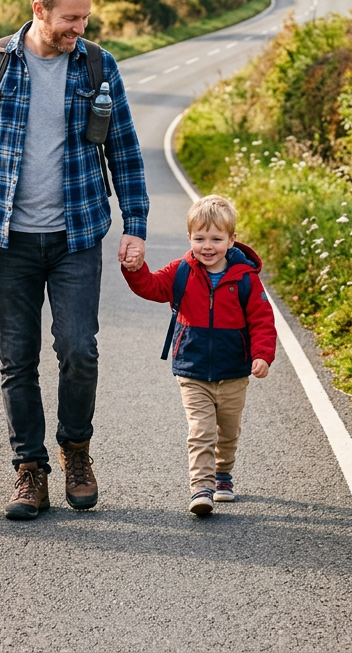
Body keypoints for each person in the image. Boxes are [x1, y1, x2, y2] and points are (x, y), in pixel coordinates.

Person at [0, 0, 149, 520]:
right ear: (39, 9)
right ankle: (29, 470)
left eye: (84, 17)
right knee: (17, 359)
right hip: (9, 239)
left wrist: (136, 227)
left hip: (77, 235)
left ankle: (75, 451)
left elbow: (125, 152)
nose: (78, 28)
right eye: (68, 18)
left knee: (79, 350)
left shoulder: (98, 68)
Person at [122, 194, 276, 517]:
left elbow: (262, 320)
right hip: (192, 371)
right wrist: (135, 269)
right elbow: (150, 286)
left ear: (232, 240)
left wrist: (262, 355)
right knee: (201, 431)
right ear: (189, 238)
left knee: (228, 431)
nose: (208, 246)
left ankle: (223, 474)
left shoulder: (245, 279)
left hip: (234, 371)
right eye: (200, 238)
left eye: (216, 239)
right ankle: (201, 487)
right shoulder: (182, 272)